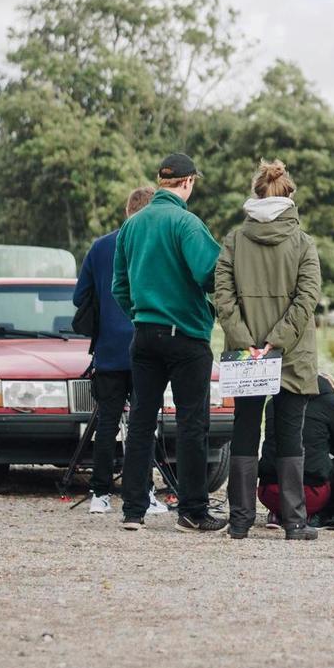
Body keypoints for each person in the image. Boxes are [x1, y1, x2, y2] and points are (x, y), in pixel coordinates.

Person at [111, 152, 227, 533]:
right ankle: (192, 510)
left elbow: (119, 287)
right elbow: (209, 274)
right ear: (188, 182)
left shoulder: (132, 226)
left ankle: (133, 510)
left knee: (142, 422)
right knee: (193, 423)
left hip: (144, 335)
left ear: (160, 181)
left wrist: (140, 314)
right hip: (186, 336)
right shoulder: (187, 224)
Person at [211, 160, 323, 540]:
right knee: (291, 434)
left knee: (245, 430)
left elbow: (222, 296)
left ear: (256, 194)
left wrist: (246, 339)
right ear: (289, 195)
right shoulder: (303, 242)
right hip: (292, 353)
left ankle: (240, 520)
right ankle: (294, 521)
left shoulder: (234, 240)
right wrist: (280, 338)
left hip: (246, 354)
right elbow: (308, 296)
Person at [72, 185, 155, 514]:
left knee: (107, 423)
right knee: (143, 423)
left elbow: (80, 298)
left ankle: (100, 494)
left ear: (126, 210)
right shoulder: (152, 244)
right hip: (145, 346)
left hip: (107, 350)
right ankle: (145, 492)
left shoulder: (100, 246)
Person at [257, 374, 334, 527]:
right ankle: (317, 514)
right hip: (310, 495)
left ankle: (277, 514)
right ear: (329, 387)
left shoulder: (272, 403)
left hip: (268, 493)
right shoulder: (331, 403)